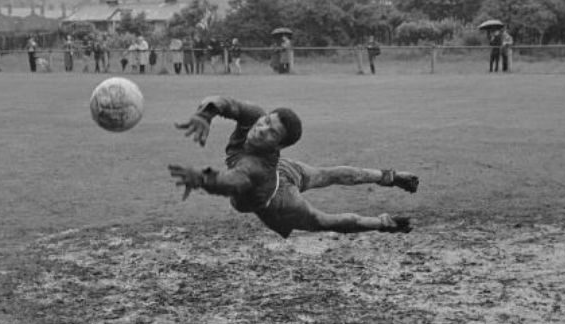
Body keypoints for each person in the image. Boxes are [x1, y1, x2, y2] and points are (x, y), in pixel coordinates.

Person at [168, 96, 419, 239]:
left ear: (278, 145)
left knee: (324, 220)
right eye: (266, 121)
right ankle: (390, 177)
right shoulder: (255, 117)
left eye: (271, 133)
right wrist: (206, 113)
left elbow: (232, 182)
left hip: (280, 202)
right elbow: (225, 102)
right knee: (328, 174)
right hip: (283, 171)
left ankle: (385, 223)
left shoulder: (255, 167)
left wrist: (203, 179)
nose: (261, 129)